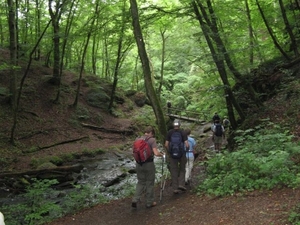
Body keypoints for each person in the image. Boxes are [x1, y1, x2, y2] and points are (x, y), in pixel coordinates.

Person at [132, 126, 164, 209]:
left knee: (140, 182)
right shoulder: (152, 140)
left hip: (139, 164)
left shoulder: (137, 139)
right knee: (149, 183)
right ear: (152, 133)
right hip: (148, 164)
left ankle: (135, 199)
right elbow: (156, 153)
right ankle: (149, 202)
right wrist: (162, 154)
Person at [164, 119, 189, 194]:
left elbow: (166, 144)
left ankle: (175, 188)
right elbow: (186, 144)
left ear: (173, 125)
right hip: (181, 154)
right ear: (179, 125)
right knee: (182, 169)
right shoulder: (183, 132)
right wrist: (186, 149)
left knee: (174, 170)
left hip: (172, 155)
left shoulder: (169, 132)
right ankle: (181, 184)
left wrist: (170, 151)